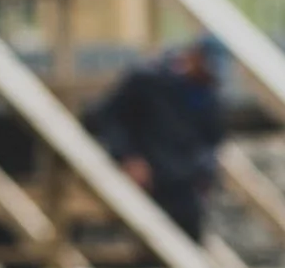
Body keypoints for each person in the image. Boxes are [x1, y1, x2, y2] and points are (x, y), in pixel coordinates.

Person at [84, 37, 224, 242]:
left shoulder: (207, 96)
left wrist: (205, 173)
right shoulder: (147, 81)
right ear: (194, 56)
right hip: (148, 181)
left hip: (185, 188)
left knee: (188, 240)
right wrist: (127, 156)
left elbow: (212, 141)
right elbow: (106, 118)